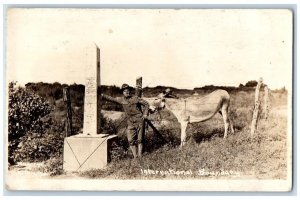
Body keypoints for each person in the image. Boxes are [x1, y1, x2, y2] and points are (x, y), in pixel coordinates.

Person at [101, 83, 149, 158]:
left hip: (139, 120)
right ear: (122, 92)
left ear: (130, 91)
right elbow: (112, 99)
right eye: (125, 91)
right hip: (130, 122)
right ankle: (135, 156)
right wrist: (102, 95)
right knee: (130, 140)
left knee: (140, 139)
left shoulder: (136, 98)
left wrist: (145, 114)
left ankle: (140, 157)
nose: (127, 92)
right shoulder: (121, 100)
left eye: (128, 90)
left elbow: (146, 104)